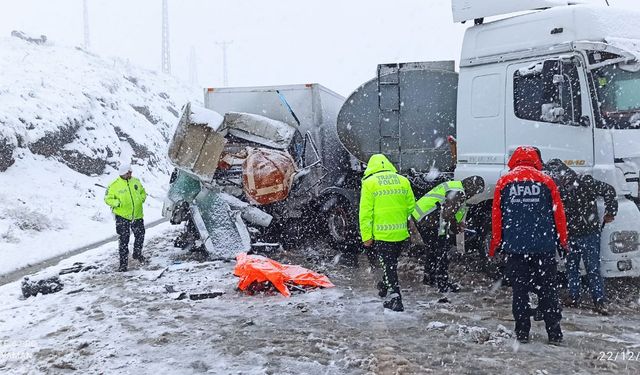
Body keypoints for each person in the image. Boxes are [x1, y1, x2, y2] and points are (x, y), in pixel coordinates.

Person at [489, 146, 568, 345]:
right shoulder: (546, 181)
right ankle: (555, 333)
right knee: (549, 290)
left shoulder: (504, 182)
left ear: (514, 159)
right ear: (535, 160)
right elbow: (558, 215)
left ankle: (522, 332)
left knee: (520, 292)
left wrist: (496, 244)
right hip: (543, 248)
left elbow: (497, 218)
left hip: (516, 250)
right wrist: (562, 242)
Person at [544, 159, 617, 315]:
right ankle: (580, 297)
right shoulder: (560, 187)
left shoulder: (583, 181)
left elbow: (609, 190)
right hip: (574, 234)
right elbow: (608, 190)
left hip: (586, 233)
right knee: (574, 267)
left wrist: (611, 211)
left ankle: (596, 299)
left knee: (589, 268)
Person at [359, 154, 415, 312]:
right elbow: (411, 208)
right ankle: (384, 286)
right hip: (400, 233)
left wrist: (366, 237)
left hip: (383, 234)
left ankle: (395, 298)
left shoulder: (369, 183)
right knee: (390, 264)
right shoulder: (403, 180)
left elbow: (365, 213)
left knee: (388, 265)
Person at [412, 176, 485, 292]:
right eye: (475, 193)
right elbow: (447, 214)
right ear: (472, 188)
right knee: (441, 251)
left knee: (433, 250)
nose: (473, 196)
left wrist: (457, 224)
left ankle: (429, 278)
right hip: (428, 219)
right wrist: (455, 226)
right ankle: (443, 283)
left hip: (421, 216)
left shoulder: (455, 186)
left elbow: (450, 211)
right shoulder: (458, 192)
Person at [104, 162, 147, 271]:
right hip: (122, 217)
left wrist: (141, 199)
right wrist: (117, 203)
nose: (130, 174)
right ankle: (123, 264)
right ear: (123, 173)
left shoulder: (136, 181)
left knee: (140, 235)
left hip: (137, 215)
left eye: (131, 172)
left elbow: (143, 192)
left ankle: (137, 254)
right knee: (124, 240)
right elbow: (107, 199)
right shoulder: (114, 185)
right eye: (128, 172)